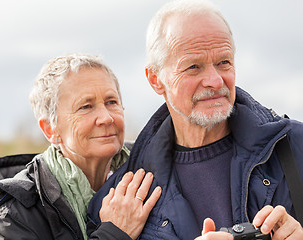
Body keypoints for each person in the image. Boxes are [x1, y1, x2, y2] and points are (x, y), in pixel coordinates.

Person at [87, 1, 303, 239]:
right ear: (155, 79)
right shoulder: (115, 205)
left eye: (223, 63)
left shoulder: (296, 147)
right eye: (193, 67)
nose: (215, 81)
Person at [0, 53, 161, 240]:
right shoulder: (13, 218)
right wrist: (114, 233)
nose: (106, 117)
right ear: (50, 129)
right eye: (86, 107)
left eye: (111, 102)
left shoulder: (157, 170)